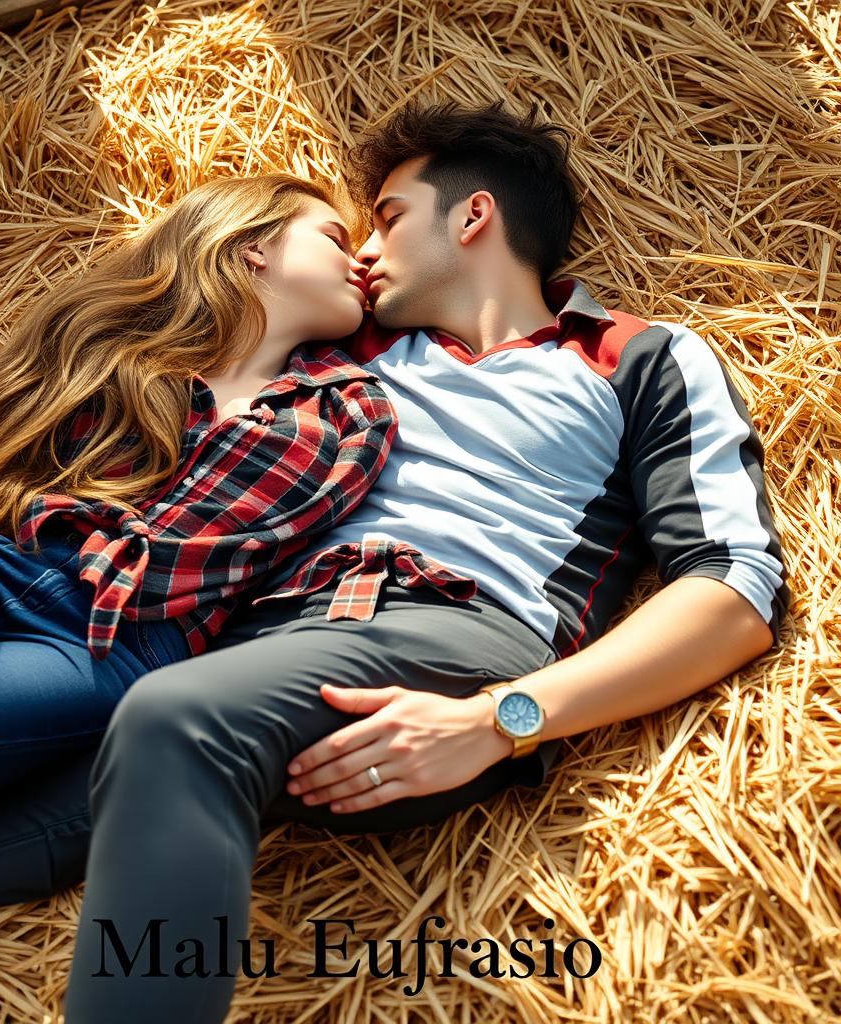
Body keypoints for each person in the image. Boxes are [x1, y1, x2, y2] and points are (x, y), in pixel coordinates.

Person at [57, 99, 790, 1022]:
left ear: (472, 215)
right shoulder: (339, 346)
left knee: (171, 719)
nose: (362, 252)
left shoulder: (637, 357)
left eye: (389, 218)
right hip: (261, 647)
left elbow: (732, 589)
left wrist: (499, 719)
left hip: (457, 637)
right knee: (21, 820)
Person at [0, 174, 396, 929]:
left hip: (97, 644)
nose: (360, 260)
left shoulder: (346, 406)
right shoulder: (102, 335)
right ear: (254, 245)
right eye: (334, 237)